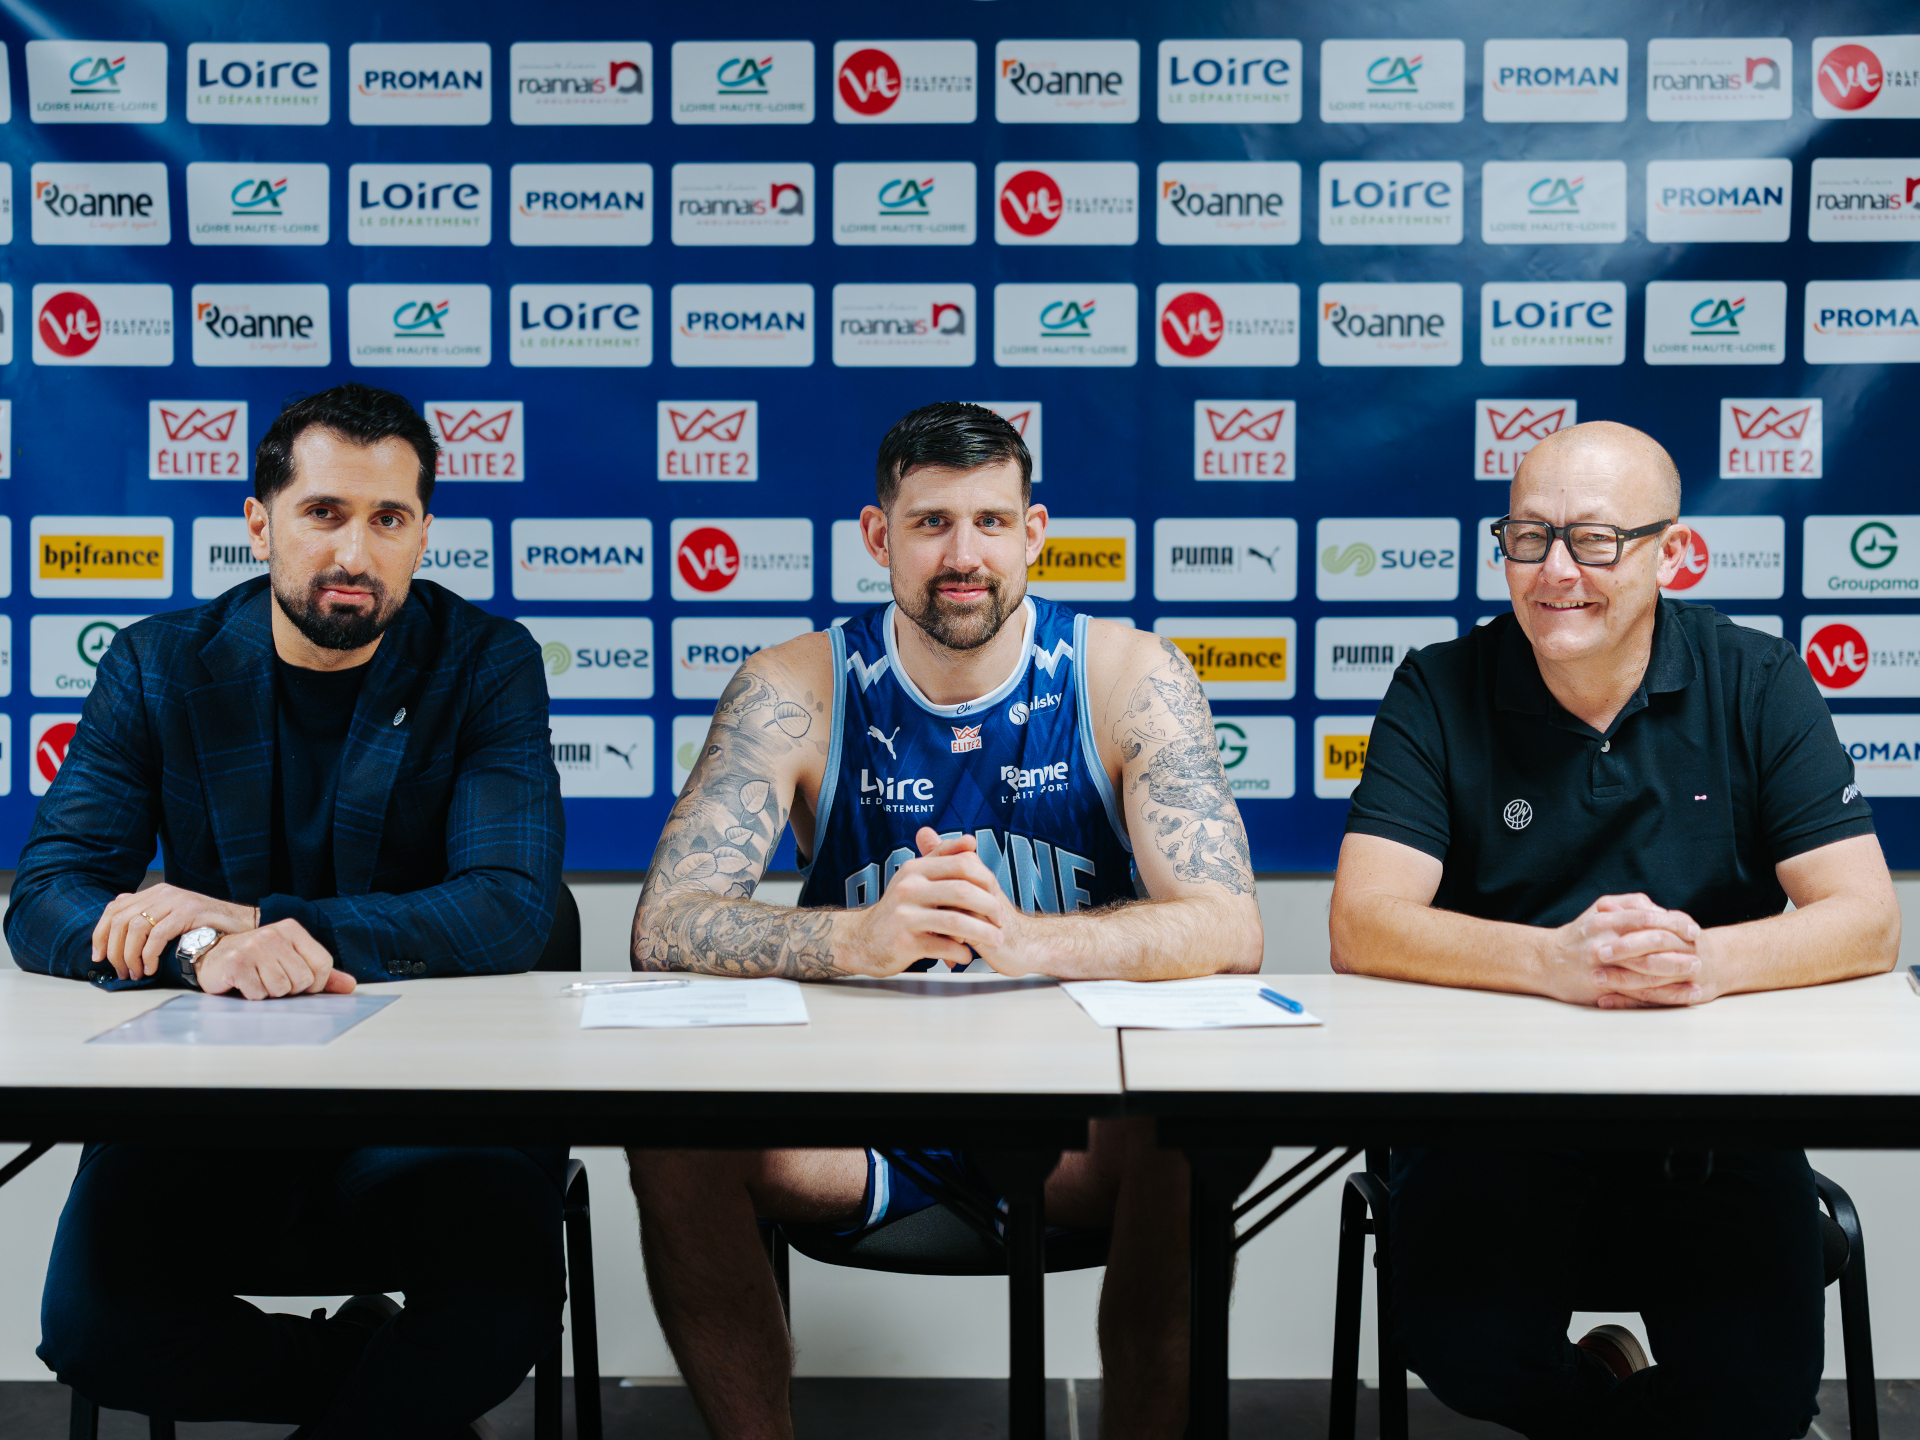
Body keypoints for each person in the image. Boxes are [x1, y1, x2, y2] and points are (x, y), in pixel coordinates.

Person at [625, 401, 1262, 1439]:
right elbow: (665, 925)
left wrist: (1032, 941)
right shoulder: (795, 685)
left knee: (1187, 1136)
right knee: (674, 1136)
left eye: (991, 522)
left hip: (1073, 1128)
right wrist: (857, 939)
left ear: (1034, 533)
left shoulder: (1125, 675)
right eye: (930, 524)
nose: (963, 555)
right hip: (857, 1124)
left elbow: (1230, 925)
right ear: (879, 535)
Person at [8, 384, 567, 1440]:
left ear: (424, 534)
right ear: (260, 524)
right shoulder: (158, 664)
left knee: (500, 1310)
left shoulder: (486, 661)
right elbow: (48, 894)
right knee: (95, 1327)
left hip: (432, 1095)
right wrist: (198, 949)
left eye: (388, 518)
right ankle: (375, 1378)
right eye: (323, 513)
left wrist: (257, 920)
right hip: (212, 1102)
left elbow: (509, 908)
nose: (354, 551)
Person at [1329, 420, 1899, 1439]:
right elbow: (1363, 924)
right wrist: (1550, 962)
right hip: (1492, 1111)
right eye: (1528, 537)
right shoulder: (1439, 685)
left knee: (1758, 1397)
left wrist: (1709, 961)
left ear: (1670, 552)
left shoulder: (1757, 678)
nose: (1556, 572)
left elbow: (1867, 920)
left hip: (1714, 1116)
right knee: (1466, 1353)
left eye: (1594, 541)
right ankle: (1611, 1395)